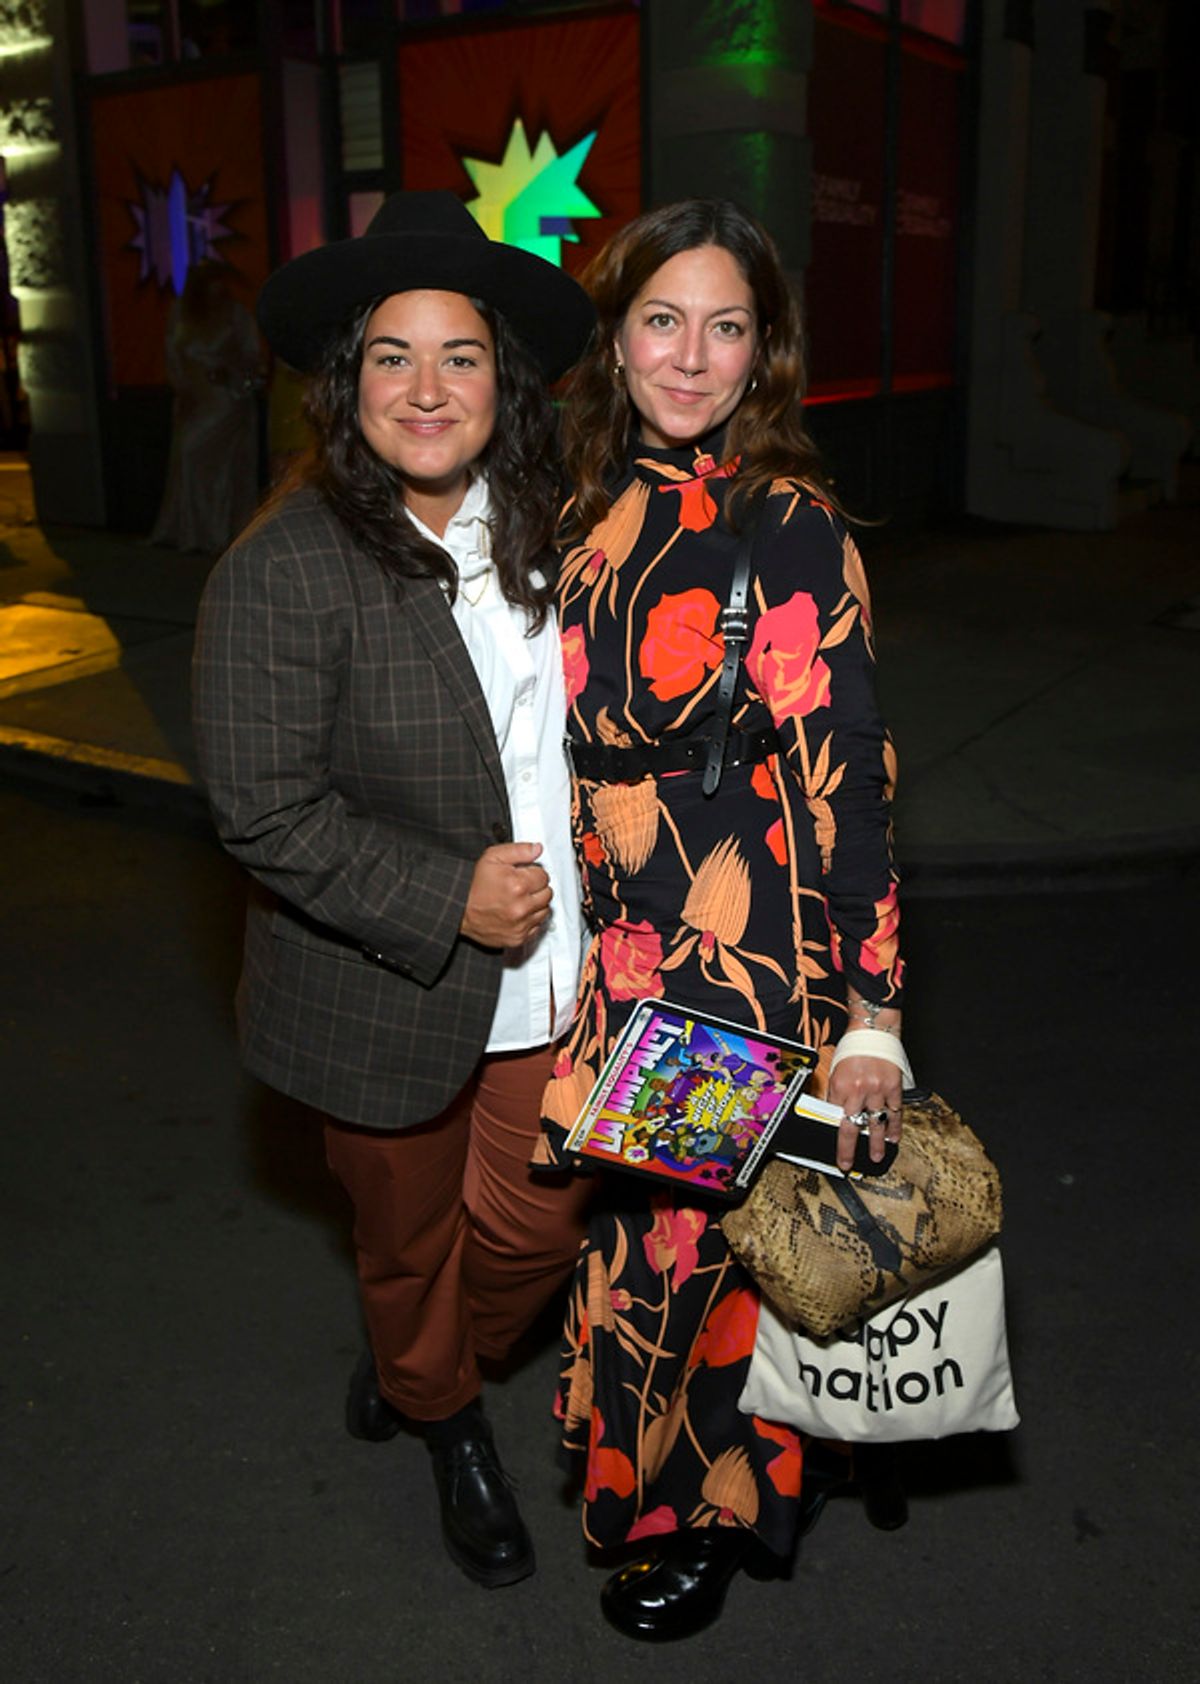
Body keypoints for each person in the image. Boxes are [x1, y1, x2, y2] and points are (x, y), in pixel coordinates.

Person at [191, 192, 597, 1588]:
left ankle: (424, 1366)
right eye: (392, 357)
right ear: (345, 380)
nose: (428, 390)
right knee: (408, 1237)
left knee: (537, 1224)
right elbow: (262, 807)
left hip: (562, 981)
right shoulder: (286, 566)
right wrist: (445, 900)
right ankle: (445, 1418)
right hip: (386, 986)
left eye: (462, 356)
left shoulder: (558, 531)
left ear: (506, 381)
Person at [537, 198, 909, 1641]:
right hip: (611, 936)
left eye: (728, 327)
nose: (691, 357)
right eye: (662, 322)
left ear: (766, 353)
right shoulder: (577, 506)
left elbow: (850, 776)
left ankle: (707, 1509)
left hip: (732, 940)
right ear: (616, 336)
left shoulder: (787, 519)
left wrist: (871, 1013)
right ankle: (672, 1473)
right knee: (636, 1235)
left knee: (690, 1253)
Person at [150, 260, 263, 554]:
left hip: (226, 400)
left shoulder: (234, 314)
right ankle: (192, 532)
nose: (217, 287)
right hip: (193, 400)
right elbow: (171, 355)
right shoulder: (182, 313)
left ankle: (218, 532)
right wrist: (182, 388)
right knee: (190, 462)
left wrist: (230, 371)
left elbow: (253, 358)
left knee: (212, 462)